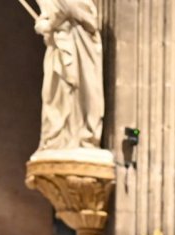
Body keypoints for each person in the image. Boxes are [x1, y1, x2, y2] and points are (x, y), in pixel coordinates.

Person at [34, 0, 104, 152]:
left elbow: (69, 7)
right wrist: (46, 20)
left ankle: (75, 136)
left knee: (71, 92)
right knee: (54, 96)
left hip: (74, 45)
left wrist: (48, 25)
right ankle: (58, 138)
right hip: (59, 47)